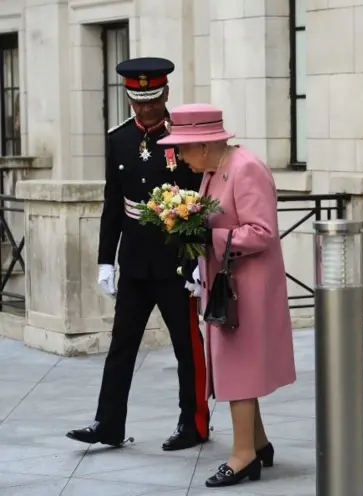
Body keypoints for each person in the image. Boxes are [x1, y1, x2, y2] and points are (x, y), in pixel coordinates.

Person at [66, 57, 210, 451]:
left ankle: (194, 422)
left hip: (175, 259)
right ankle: (107, 424)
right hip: (133, 260)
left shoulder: (184, 136)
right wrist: (104, 261)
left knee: (187, 346)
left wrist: (197, 259)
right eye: (137, 101)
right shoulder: (119, 138)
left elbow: (201, 198)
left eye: (151, 100)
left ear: (164, 94)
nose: (144, 109)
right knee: (121, 345)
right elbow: (113, 202)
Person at [158, 104, 296, 488]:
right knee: (237, 365)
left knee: (239, 367)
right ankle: (258, 442)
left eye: (182, 149)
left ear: (203, 144)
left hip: (248, 287)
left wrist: (209, 237)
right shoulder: (213, 170)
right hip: (227, 283)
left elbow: (263, 231)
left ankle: (243, 456)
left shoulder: (245, 168)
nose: (179, 157)